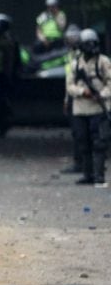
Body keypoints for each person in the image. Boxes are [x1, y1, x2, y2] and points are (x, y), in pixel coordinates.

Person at [65, 29, 111, 187]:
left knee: (99, 143)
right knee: (83, 142)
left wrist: (102, 94)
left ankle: (99, 176)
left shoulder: (103, 62)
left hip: (99, 109)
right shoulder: (76, 63)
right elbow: (70, 86)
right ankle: (88, 174)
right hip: (80, 109)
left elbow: (110, 83)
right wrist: (82, 92)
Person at [61, 24, 84, 174]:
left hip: (84, 97)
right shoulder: (69, 56)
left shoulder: (86, 56)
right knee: (77, 133)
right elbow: (69, 81)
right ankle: (80, 162)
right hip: (72, 96)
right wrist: (66, 99)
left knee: (84, 132)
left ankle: (86, 163)